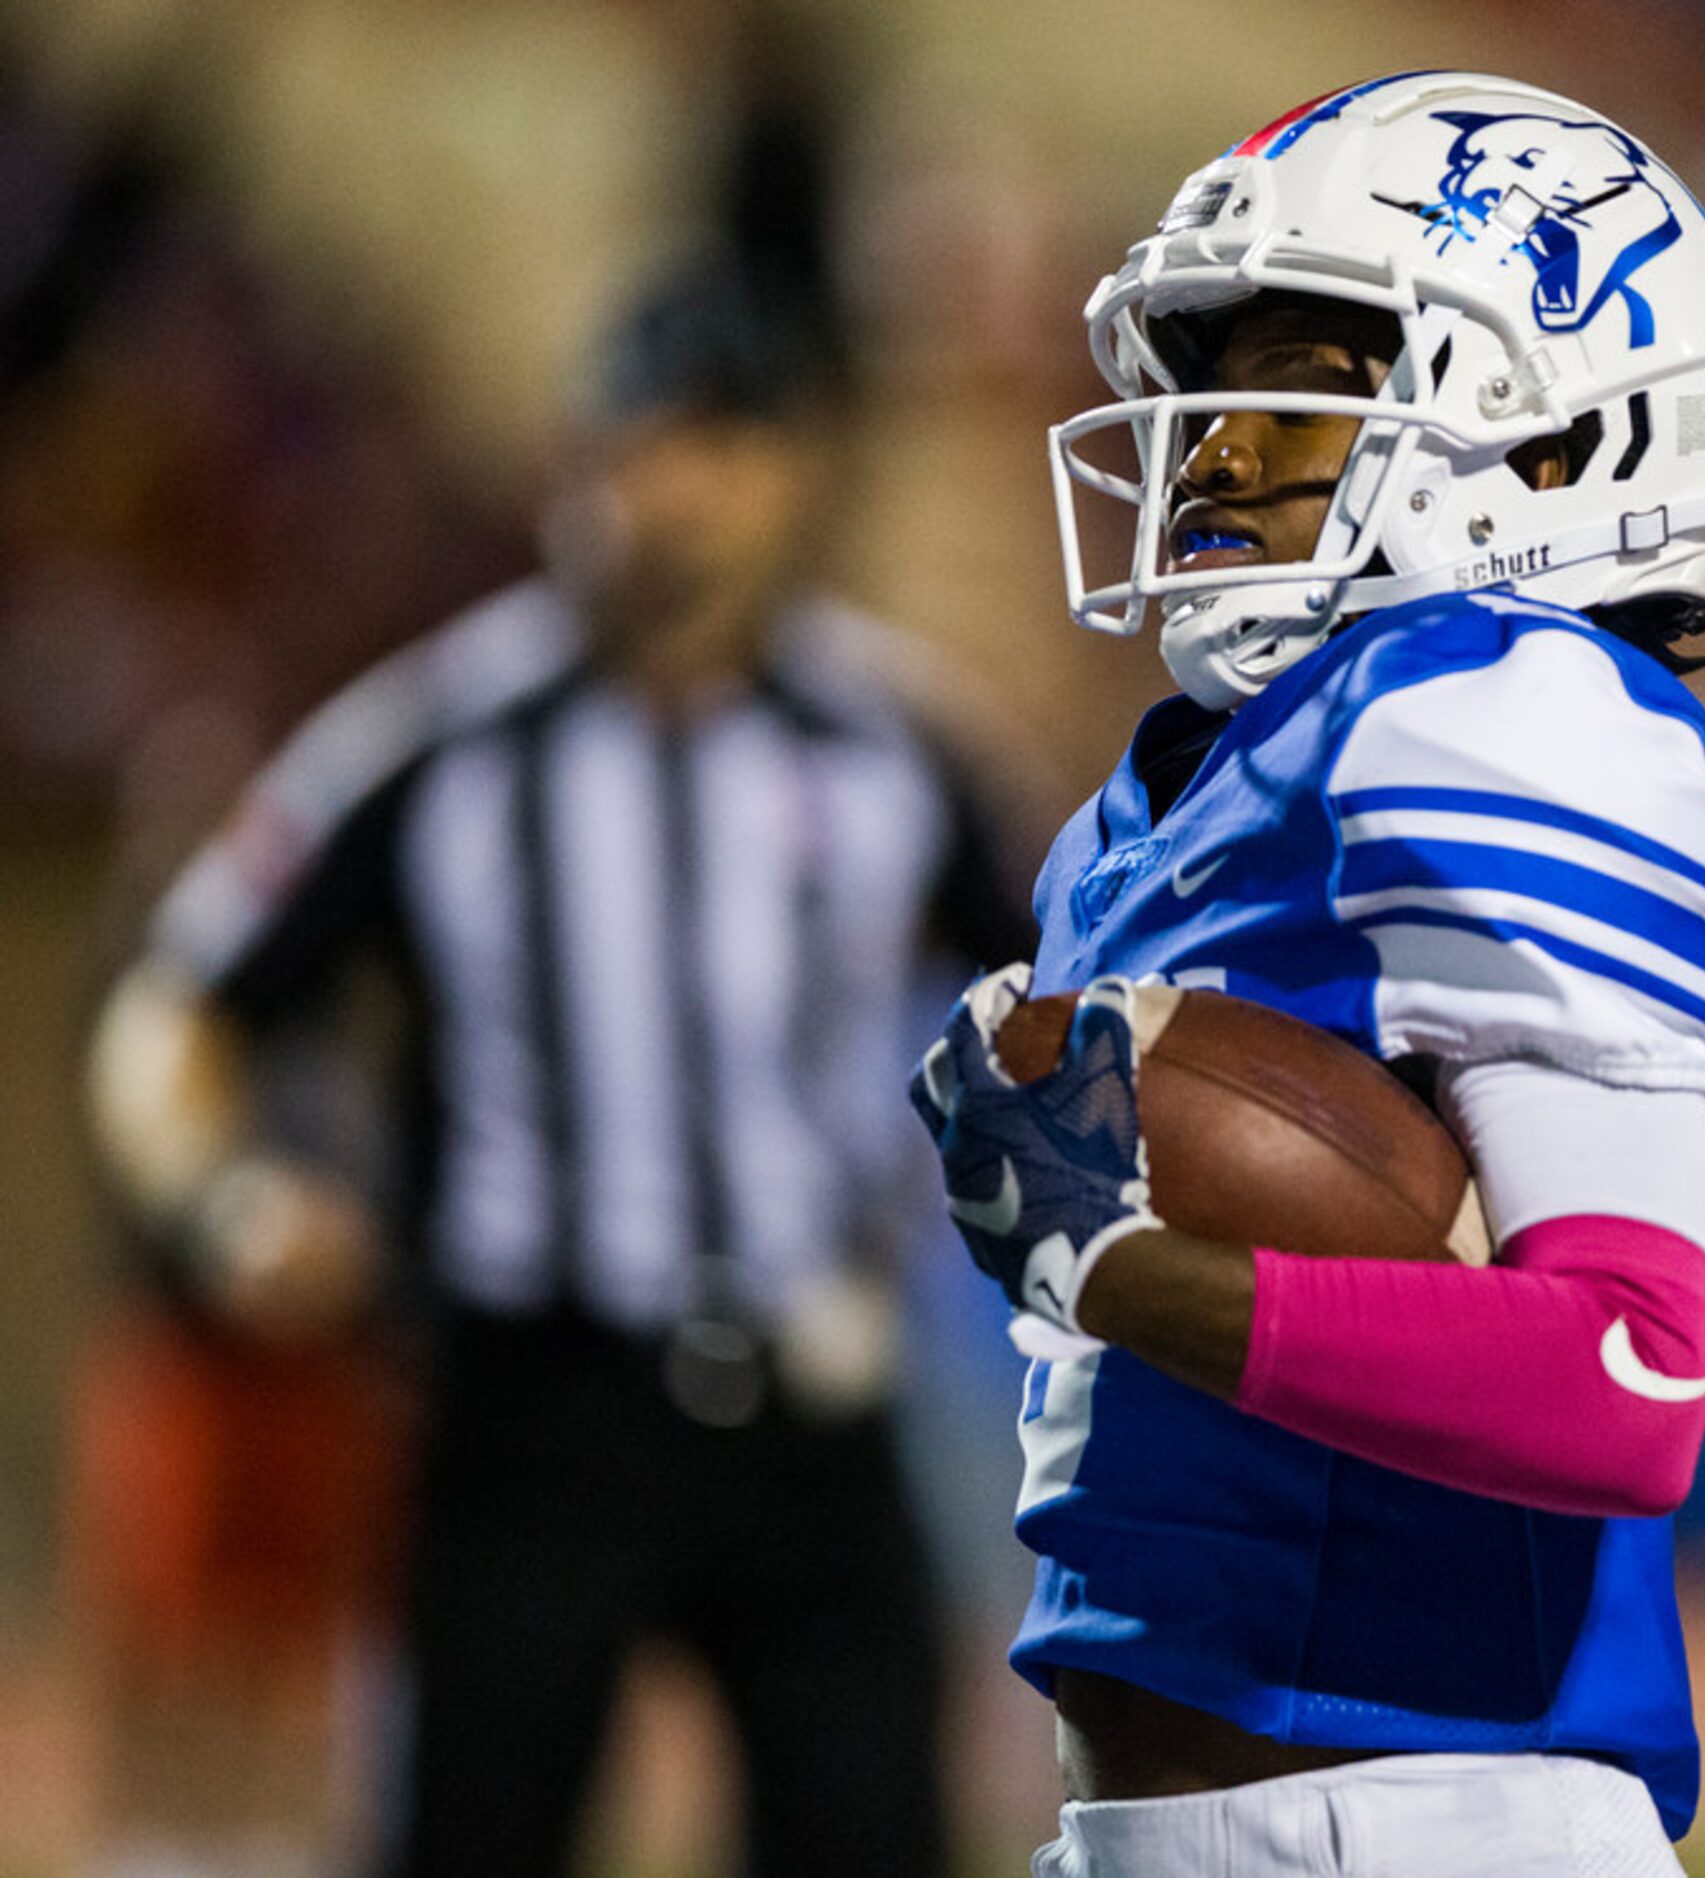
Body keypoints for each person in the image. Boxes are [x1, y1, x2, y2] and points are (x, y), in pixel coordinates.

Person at [908, 73, 1705, 1873]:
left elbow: (1625, 1373)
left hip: (1417, 1808)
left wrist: (1126, 1267)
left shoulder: (1504, 711)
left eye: (1303, 380)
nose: (1208, 450)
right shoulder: (1171, 791)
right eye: (1201, 384)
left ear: (1555, 442)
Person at [86, 260, 1032, 1878]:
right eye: (630, 446)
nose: (662, 495)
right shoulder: (441, 739)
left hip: (816, 1391)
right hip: (532, 1402)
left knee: (874, 1831)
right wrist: (233, 1199)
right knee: (467, 1835)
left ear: (796, 468)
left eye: (712, 446)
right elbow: (177, 1013)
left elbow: (1056, 1002)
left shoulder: (896, 738)